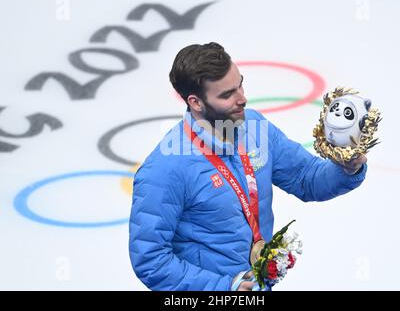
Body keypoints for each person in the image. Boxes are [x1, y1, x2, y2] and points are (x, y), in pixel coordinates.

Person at [129, 42, 367, 291]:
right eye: (227, 94)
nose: (242, 98)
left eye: (240, 84)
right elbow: (151, 259)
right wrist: (225, 287)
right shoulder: (164, 169)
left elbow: (306, 178)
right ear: (196, 102)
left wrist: (347, 169)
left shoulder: (255, 127)